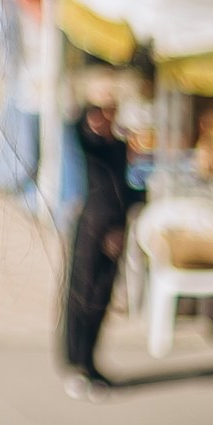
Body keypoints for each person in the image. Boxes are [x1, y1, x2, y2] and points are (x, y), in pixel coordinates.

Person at [61, 92, 139, 388]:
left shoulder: (118, 147)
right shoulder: (90, 145)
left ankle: (90, 360)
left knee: (102, 297)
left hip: (115, 228)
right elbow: (72, 126)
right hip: (93, 228)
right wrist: (90, 96)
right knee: (82, 294)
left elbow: (124, 189)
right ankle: (76, 360)